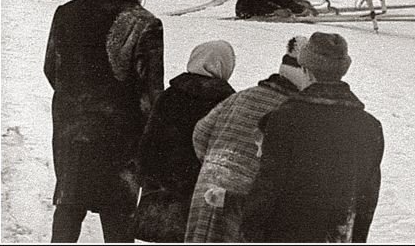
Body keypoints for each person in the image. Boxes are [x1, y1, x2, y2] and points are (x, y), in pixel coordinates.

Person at [43, 0, 163, 244]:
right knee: (119, 216)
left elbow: (51, 68)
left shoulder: (67, 12)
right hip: (120, 136)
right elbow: (150, 91)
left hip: (72, 129)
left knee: (69, 207)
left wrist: (75, 98)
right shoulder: (145, 23)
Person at [244, 33, 384, 243]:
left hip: (285, 234)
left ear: (306, 70)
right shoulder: (370, 127)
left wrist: (249, 230)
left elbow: (267, 187)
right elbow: (367, 199)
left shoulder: (285, 119)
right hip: (335, 236)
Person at [187, 37, 312, 243]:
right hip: (244, 202)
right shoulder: (292, 112)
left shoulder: (240, 97)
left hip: (207, 190)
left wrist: (215, 164)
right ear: (305, 77)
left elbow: (201, 132)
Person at [133, 41, 237, 243]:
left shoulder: (170, 95)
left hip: (163, 193)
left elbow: (148, 143)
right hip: (201, 197)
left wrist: (147, 179)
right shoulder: (227, 101)